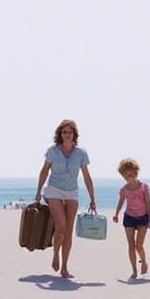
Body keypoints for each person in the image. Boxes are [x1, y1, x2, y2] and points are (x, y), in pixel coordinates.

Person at [35, 119, 97, 279]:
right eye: (64, 132)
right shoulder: (52, 151)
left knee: (68, 232)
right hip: (54, 190)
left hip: (72, 192)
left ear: (74, 134)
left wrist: (92, 197)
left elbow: (87, 176)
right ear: (60, 134)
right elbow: (44, 171)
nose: (67, 135)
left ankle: (64, 268)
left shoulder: (81, 153)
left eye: (70, 132)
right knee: (61, 227)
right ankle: (55, 253)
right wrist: (38, 191)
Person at [112, 158, 150, 279]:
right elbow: (120, 202)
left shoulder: (144, 187)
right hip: (129, 218)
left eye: (129, 174)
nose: (127, 177)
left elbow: (148, 202)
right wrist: (116, 214)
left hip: (142, 218)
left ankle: (144, 262)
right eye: (124, 175)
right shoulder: (123, 190)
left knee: (139, 246)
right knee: (130, 245)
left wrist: (149, 217)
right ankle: (134, 271)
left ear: (135, 172)